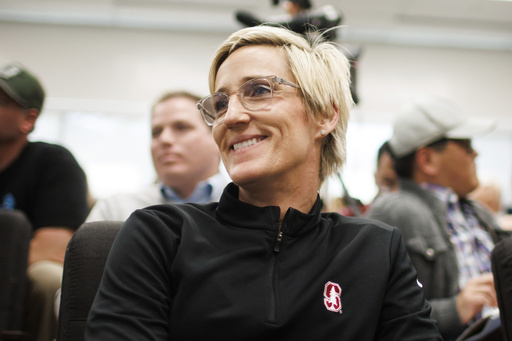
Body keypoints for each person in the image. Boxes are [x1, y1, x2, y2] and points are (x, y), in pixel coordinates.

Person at [85, 26, 441, 340]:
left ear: (325, 115)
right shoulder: (160, 234)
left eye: (258, 91)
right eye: (220, 103)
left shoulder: (376, 250)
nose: (232, 117)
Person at [366, 96, 510, 340]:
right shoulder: (392, 212)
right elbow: (371, 314)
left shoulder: (477, 212)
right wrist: (456, 309)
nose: (475, 153)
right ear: (427, 160)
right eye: (465, 145)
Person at [0, 62, 89, 341]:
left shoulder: (52, 162)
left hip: (21, 276)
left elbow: (52, 248)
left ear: (28, 119)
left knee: (49, 279)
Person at [86, 91, 229, 222]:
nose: (164, 139)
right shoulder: (115, 211)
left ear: (216, 138)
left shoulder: (247, 204)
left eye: (181, 127)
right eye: (156, 132)